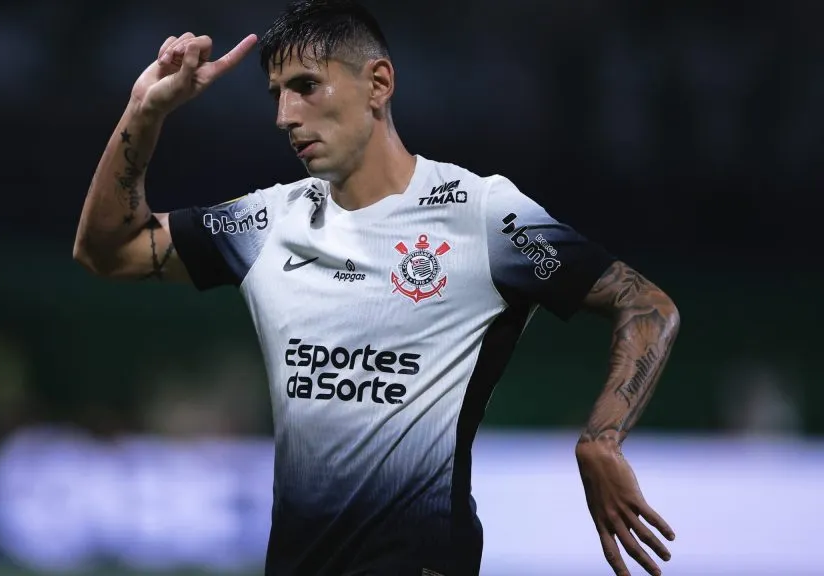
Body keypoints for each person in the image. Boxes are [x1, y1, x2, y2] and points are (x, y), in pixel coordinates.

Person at [73, 1, 681, 574]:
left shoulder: (482, 214)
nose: (285, 116)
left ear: (379, 84)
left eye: (306, 86)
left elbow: (645, 302)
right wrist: (144, 112)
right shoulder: (267, 223)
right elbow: (106, 250)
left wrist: (601, 440)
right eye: (277, 95)